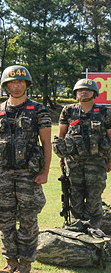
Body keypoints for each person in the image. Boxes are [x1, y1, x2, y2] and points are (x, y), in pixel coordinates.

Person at [0, 65, 51, 273]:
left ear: (27, 84)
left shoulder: (38, 110)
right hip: (2, 173)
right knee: (5, 218)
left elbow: (46, 144)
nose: (16, 85)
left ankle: (25, 264)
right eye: (12, 82)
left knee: (28, 218)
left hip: (28, 174)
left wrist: (45, 172)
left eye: (20, 82)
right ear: (6, 86)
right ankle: (10, 260)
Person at [54, 78, 111, 229]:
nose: (83, 92)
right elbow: (61, 136)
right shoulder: (68, 111)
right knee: (75, 198)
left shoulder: (105, 112)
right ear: (76, 93)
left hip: (97, 163)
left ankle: (94, 232)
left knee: (94, 199)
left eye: (87, 90)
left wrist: (110, 160)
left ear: (95, 93)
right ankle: (76, 232)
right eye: (80, 90)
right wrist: (61, 157)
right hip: (73, 162)